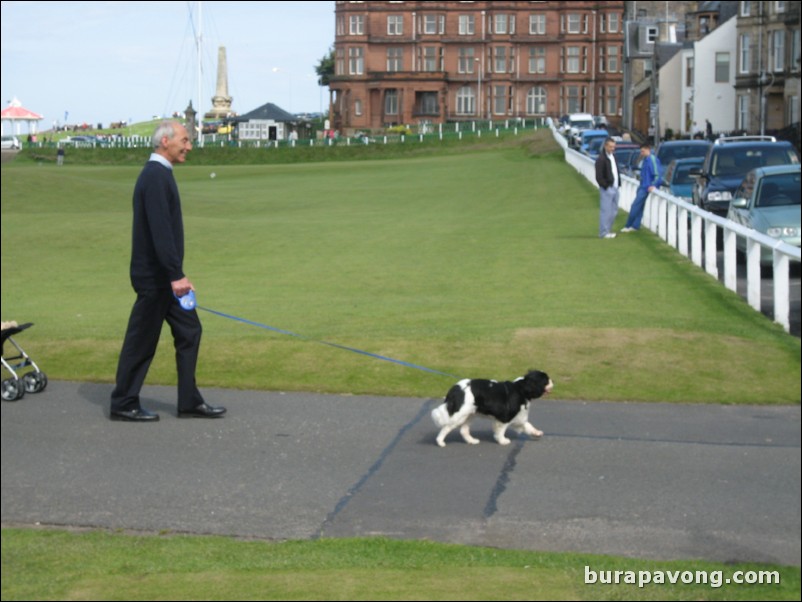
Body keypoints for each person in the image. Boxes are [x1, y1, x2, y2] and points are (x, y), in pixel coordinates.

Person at [109, 121, 226, 422]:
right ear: (165, 141)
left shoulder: (161, 174)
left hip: (165, 276)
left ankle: (188, 401)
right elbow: (160, 231)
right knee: (142, 340)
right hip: (155, 278)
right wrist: (176, 275)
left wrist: (176, 274)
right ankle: (123, 402)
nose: (189, 146)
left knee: (190, 330)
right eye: (185, 140)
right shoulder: (155, 176)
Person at [621, 143, 663, 233]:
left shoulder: (652, 160)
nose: (641, 153)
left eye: (642, 151)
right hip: (643, 185)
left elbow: (657, 174)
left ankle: (628, 225)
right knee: (639, 207)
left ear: (648, 149)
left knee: (635, 206)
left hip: (646, 187)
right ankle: (635, 226)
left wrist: (653, 185)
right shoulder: (646, 160)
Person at [595, 137, 620, 239]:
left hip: (616, 187)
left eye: (614, 147)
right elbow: (599, 176)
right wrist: (605, 186)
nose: (612, 149)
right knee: (606, 211)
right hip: (607, 188)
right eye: (610, 147)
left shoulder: (613, 157)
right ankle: (603, 232)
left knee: (614, 211)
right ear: (605, 146)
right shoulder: (601, 159)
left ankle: (608, 230)